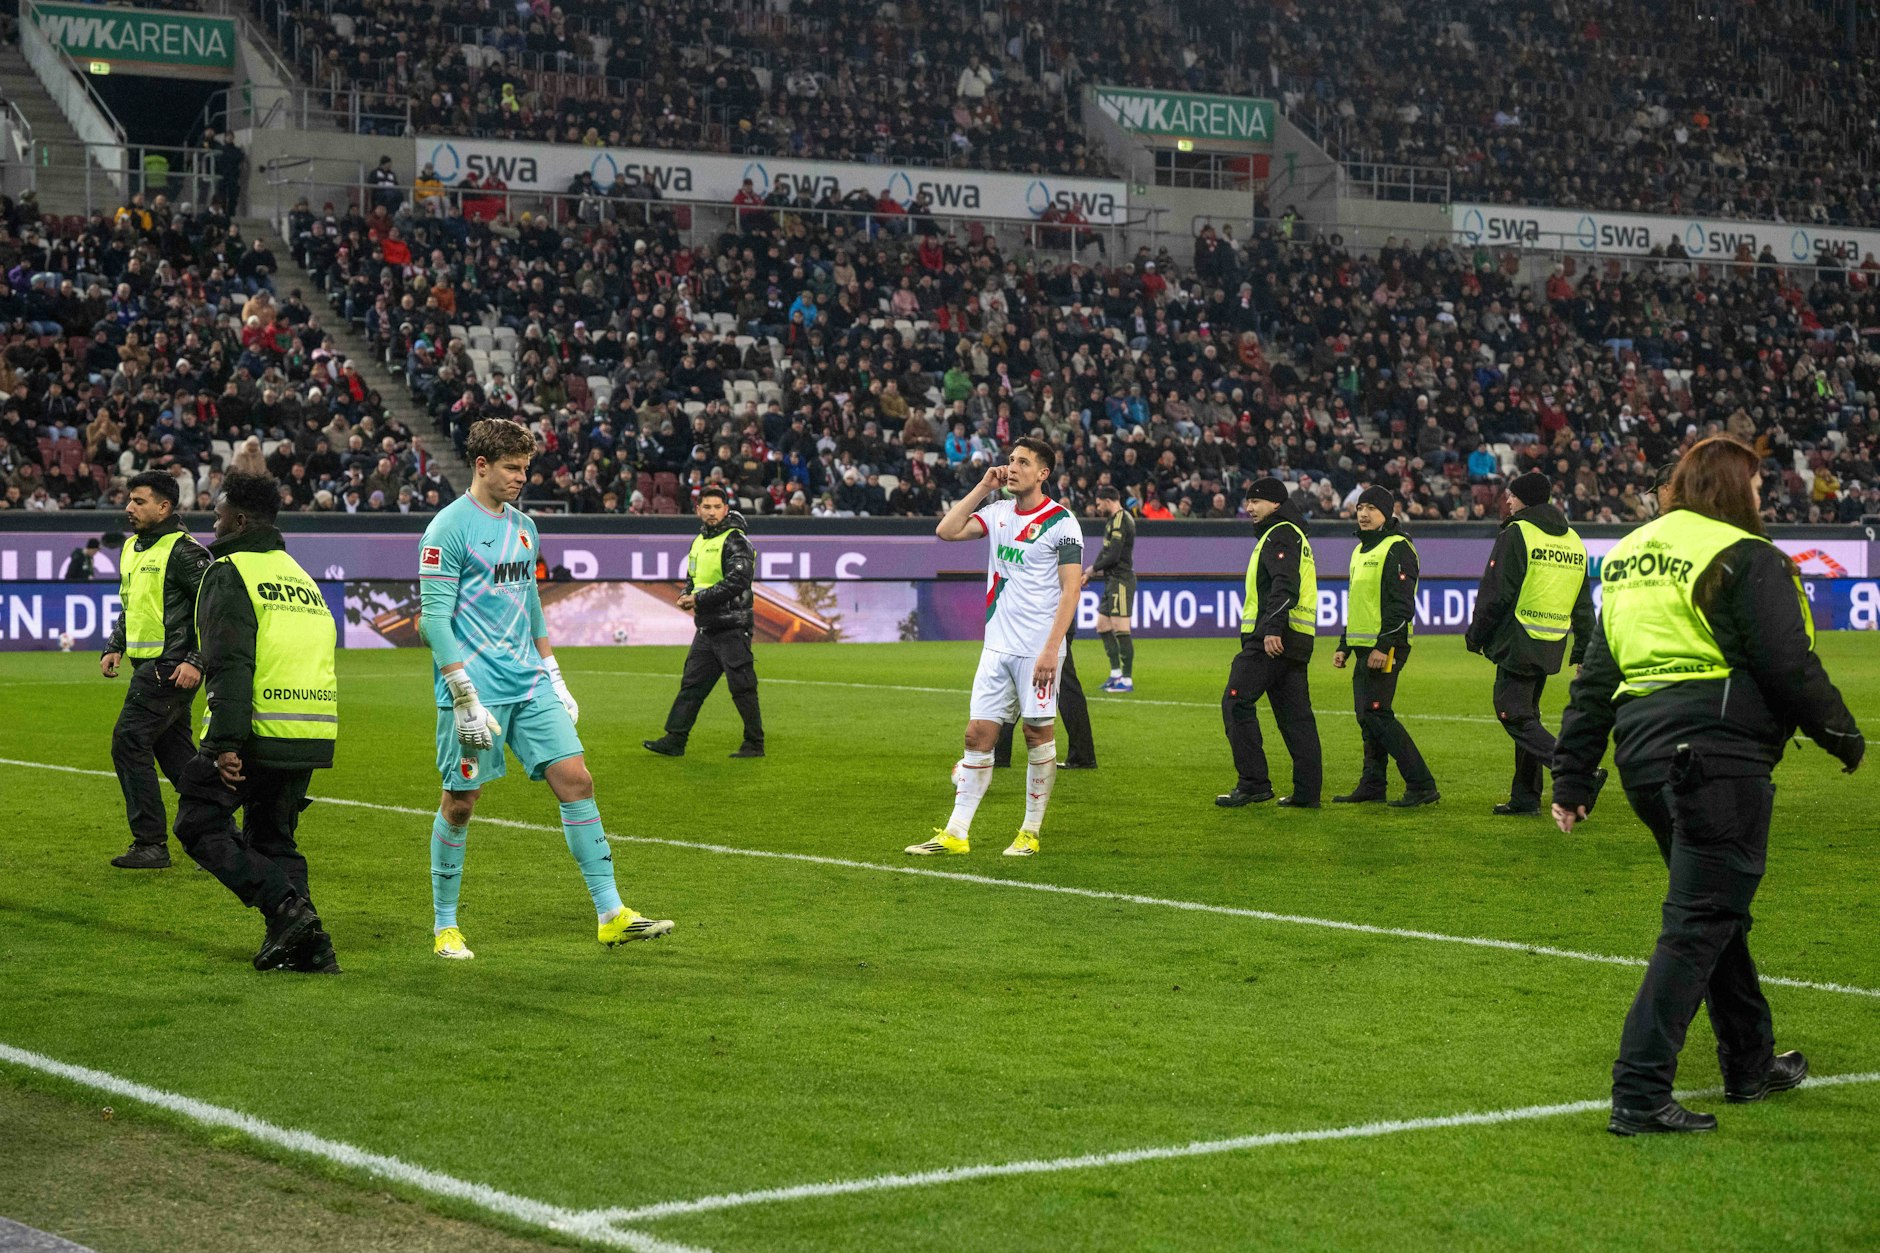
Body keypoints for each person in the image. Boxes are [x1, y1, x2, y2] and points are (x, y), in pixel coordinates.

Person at [1552, 437, 1865, 1135]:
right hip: (1718, 755)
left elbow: (1597, 675)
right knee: (1698, 922)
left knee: (1717, 909)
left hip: (1643, 756)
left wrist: (1573, 774)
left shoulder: (1631, 556)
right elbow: (1788, 661)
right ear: (1729, 488)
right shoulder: (1743, 556)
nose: (1762, 498)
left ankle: (1750, 1062)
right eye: (1755, 486)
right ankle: (1638, 1091)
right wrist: (1842, 734)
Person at [419, 419, 672, 960]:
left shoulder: (526, 527)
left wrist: (554, 674)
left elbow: (530, 602)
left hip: (529, 682)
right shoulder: (447, 529)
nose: (521, 477)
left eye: (525, 468)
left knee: (577, 780)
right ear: (481, 466)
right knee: (461, 803)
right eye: (512, 467)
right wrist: (461, 690)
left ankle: (611, 914)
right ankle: (445, 926)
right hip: (475, 691)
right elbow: (434, 619)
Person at [173, 472, 340, 973]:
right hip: (310, 730)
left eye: (219, 512)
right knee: (273, 838)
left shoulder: (228, 571)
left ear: (240, 520)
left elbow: (230, 662)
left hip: (255, 732)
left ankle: (287, 912)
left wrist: (223, 743)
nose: (213, 521)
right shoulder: (298, 574)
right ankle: (312, 949)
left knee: (198, 822)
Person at [907, 438, 1082, 857]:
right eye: (1010, 460)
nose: (1012, 467)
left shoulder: (1062, 522)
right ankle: (956, 833)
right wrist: (983, 487)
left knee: (1036, 734)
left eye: (1023, 462)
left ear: (1043, 473)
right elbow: (946, 531)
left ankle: (1029, 832)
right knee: (977, 734)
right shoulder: (998, 511)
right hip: (996, 648)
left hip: (1038, 649)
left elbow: (1071, 590)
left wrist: (1051, 649)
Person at [100, 471, 214, 868]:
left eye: (139, 501)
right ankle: (218, 836)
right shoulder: (131, 547)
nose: (129, 508)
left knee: (128, 741)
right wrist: (115, 645)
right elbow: (132, 605)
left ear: (164, 507)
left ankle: (150, 842)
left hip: (171, 668)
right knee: (178, 756)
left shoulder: (185, 551)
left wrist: (194, 660)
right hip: (148, 665)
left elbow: (214, 610)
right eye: (129, 500)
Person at [1464, 471, 1594, 815]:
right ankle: (1525, 797)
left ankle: (1578, 772)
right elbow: (1583, 604)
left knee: (1513, 714)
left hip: (1519, 639)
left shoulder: (1517, 533)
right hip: (1551, 641)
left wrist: (1476, 635)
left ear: (1524, 499)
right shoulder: (1573, 541)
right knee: (1528, 716)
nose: (1507, 500)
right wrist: (1583, 650)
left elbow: (1496, 593)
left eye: (1512, 495)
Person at [1217, 477, 1321, 808]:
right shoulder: (1295, 535)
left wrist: (1272, 627)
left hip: (1272, 640)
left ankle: (1253, 783)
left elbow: (1284, 583)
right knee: (1297, 719)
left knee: (1236, 701)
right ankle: (1307, 793)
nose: (1248, 508)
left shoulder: (1280, 534)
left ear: (1276, 504)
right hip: (1297, 640)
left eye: (1255, 501)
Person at [1331, 486, 1439, 807]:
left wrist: (1384, 645)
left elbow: (1400, 606)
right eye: (1360, 507)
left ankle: (1421, 784)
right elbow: (1358, 604)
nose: (1363, 514)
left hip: (1387, 646)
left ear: (1387, 514)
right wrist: (1344, 645)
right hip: (1365, 646)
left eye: (1371, 509)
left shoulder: (1398, 549)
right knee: (1366, 716)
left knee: (1377, 714)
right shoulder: (1360, 550)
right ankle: (1373, 783)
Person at [643, 485, 765, 758]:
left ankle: (754, 744)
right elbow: (694, 578)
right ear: (697, 510)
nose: (711, 512)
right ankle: (675, 740)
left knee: (742, 686)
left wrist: (697, 600)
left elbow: (737, 581)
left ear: (726, 509)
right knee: (692, 685)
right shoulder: (699, 541)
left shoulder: (736, 540)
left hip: (733, 626)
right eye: (706, 507)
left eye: (716, 507)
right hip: (708, 626)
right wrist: (687, 593)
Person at [992, 619, 1096, 770]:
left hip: (1045, 627)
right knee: (1016, 678)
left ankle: (1083, 755)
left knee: (1064, 685)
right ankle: (999, 750)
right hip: (1038, 625)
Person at [1087, 485, 1137, 692]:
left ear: (1108, 501)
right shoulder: (1111, 521)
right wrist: (1089, 572)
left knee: (1121, 628)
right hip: (1111, 580)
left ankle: (1126, 679)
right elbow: (1105, 551)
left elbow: (1114, 555)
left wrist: (1093, 569)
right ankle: (1115, 673)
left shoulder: (1121, 520)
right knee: (1102, 626)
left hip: (1121, 580)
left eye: (1099, 504)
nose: (1098, 508)